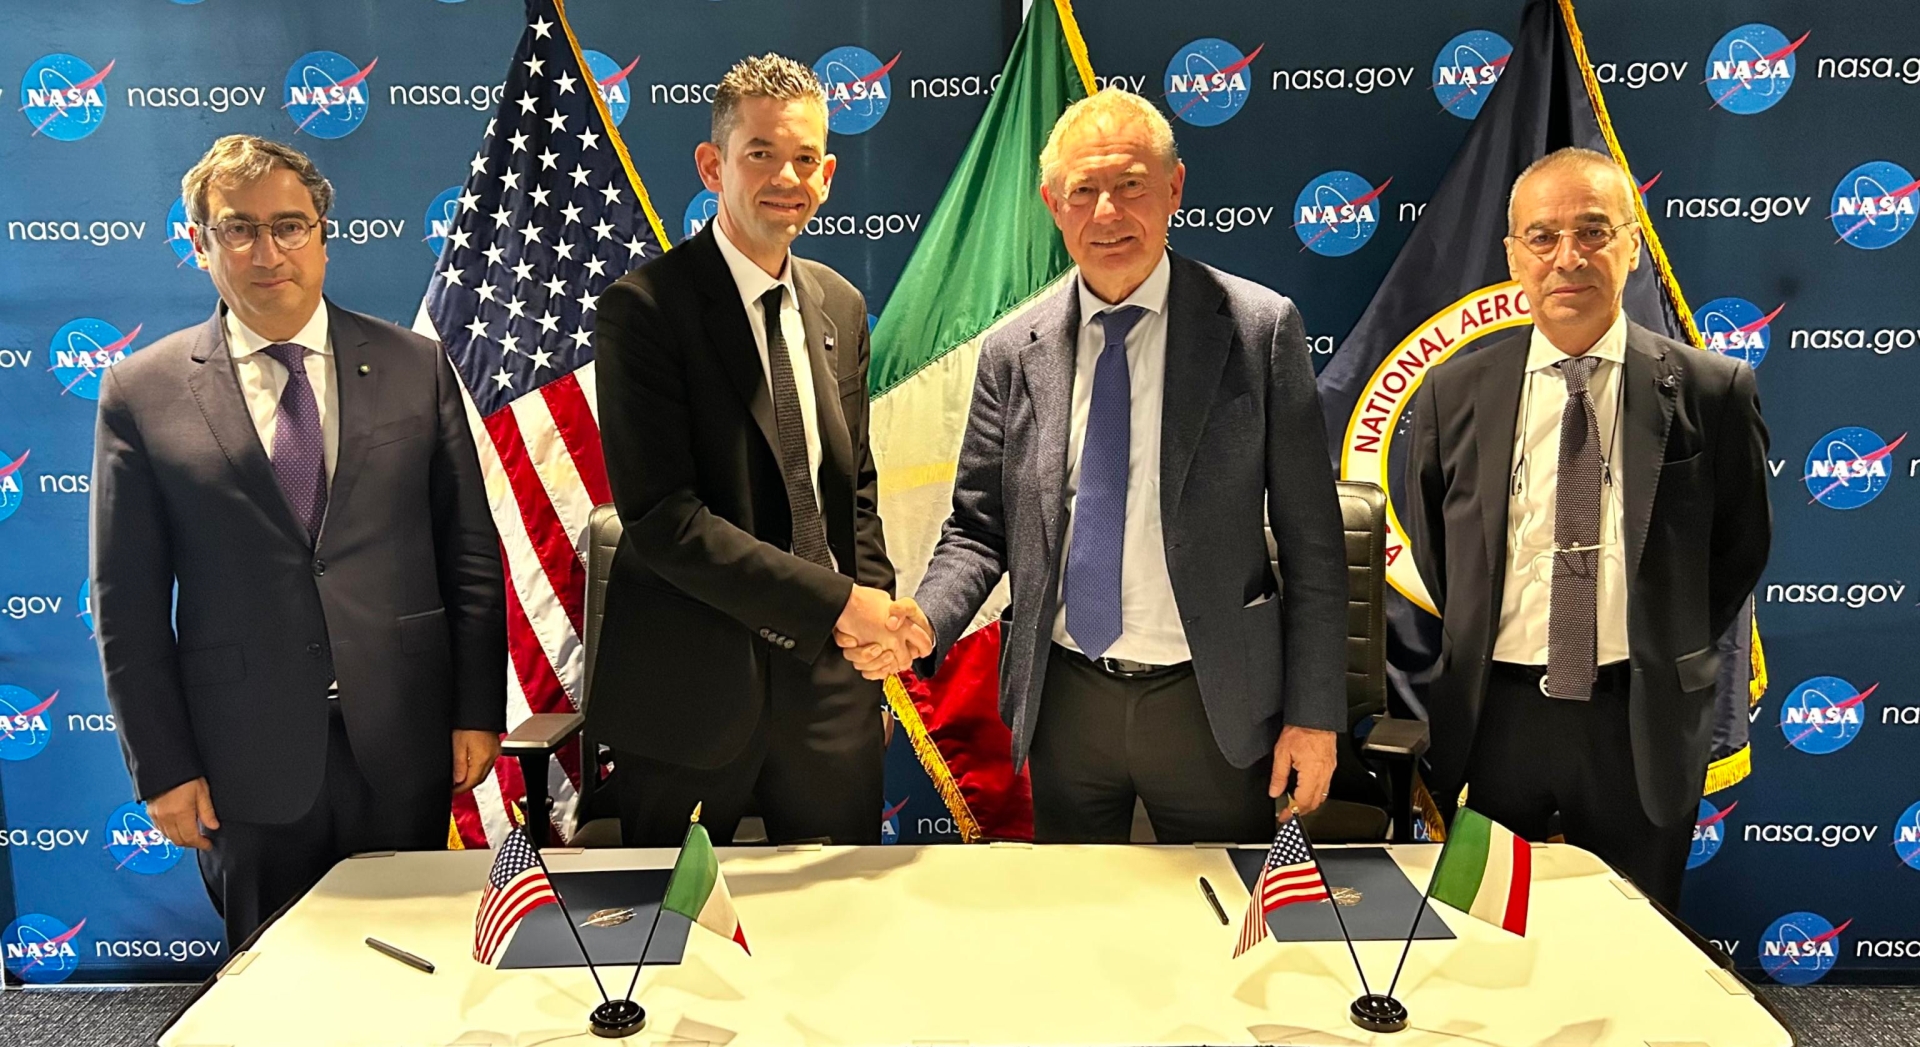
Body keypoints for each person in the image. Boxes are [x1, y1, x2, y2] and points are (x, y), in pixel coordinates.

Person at [858, 89, 1348, 843]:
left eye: (1130, 185)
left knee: (1217, 907)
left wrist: (1314, 715)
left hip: (1212, 700)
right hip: (1066, 704)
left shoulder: (1257, 329)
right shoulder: (1012, 351)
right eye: (1083, 191)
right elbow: (979, 528)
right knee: (1078, 910)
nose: (1108, 213)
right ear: (1054, 206)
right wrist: (926, 618)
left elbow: (1313, 541)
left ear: (1174, 189)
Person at [91, 135, 506, 947]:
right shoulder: (141, 391)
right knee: (273, 982)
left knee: (413, 964)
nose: (267, 251)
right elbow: (126, 607)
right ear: (200, 242)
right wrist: (163, 768)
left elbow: (469, 557)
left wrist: (476, 710)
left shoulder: (416, 365)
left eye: (288, 225)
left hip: (403, 740)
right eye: (238, 229)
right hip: (243, 764)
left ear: (322, 235)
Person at [1405, 147, 1770, 909]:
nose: (1567, 256)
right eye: (1542, 237)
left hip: (1637, 715)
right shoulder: (1452, 392)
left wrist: (1663, 635)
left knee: (1634, 928)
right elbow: (1439, 550)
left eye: (1593, 231)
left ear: (1631, 246)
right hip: (1496, 716)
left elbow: (1738, 547)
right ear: (1514, 257)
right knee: (1489, 928)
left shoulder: (1712, 390)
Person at [591, 54, 921, 847]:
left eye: (806, 158)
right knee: (675, 918)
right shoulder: (644, 310)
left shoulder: (841, 304)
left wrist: (871, 636)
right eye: (761, 153)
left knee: (842, 913)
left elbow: (854, 492)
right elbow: (665, 520)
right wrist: (838, 603)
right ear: (713, 166)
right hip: (691, 696)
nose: (786, 177)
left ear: (828, 176)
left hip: (831, 690)